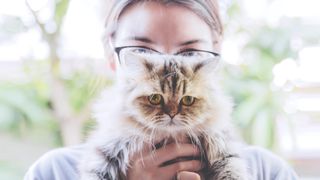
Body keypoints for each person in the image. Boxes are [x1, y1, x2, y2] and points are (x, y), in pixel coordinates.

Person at [24, 0, 298, 179]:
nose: (169, 68)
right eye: (141, 51)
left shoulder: (269, 172)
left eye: (190, 53)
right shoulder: (53, 172)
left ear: (215, 59)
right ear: (112, 55)